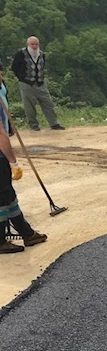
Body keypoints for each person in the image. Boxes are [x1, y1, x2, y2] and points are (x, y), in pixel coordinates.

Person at [0, 72, 48, 254]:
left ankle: (27, 233)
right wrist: (13, 161)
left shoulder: (2, 87)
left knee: (7, 195)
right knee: (2, 198)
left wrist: (9, 124)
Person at [11, 37, 65, 132]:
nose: (35, 46)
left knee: (48, 103)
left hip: (40, 83)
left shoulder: (41, 54)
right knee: (29, 106)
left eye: (36, 44)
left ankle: (54, 123)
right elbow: (14, 67)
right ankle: (34, 125)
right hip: (26, 83)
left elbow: (42, 66)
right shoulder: (21, 54)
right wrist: (21, 77)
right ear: (28, 44)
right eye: (32, 44)